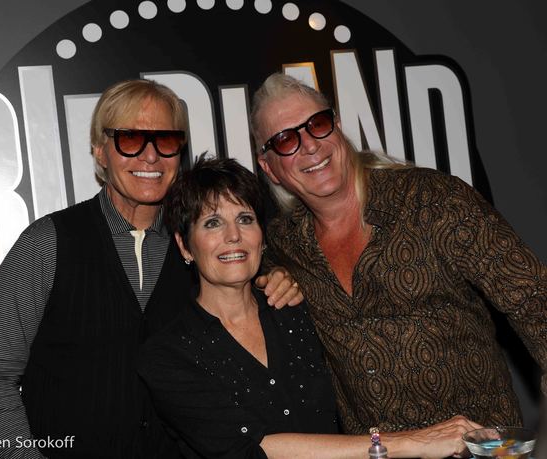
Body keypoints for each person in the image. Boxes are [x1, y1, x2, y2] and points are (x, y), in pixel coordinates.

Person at [0, 79, 300, 459]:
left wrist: (278, 279)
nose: (151, 156)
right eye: (129, 139)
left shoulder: (202, 247)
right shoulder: (48, 243)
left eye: (166, 140)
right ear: (99, 151)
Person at [251, 73, 547, 434]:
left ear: (338, 128)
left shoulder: (432, 200)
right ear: (269, 168)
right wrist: (278, 273)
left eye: (318, 124)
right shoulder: (284, 243)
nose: (310, 145)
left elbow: (533, 297)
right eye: (285, 140)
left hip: (479, 445)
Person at [138, 155, 482, 459]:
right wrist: (410, 443)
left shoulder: (298, 310)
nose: (233, 236)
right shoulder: (167, 355)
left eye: (245, 219)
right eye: (212, 223)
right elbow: (251, 448)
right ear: (185, 245)